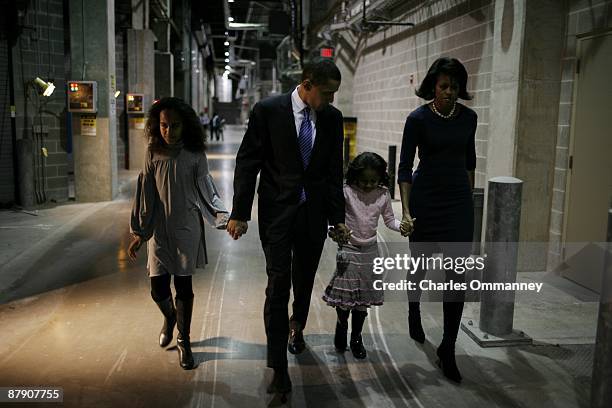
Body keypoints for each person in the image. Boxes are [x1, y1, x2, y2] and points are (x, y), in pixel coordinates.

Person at [227, 58, 350, 396]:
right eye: (326, 93)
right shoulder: (268, 110)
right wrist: (240, 212)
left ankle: (298, 326)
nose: (331, 100)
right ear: (307, 83)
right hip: (278, 214)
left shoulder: (332, 118)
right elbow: (248, 161)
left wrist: (337, 218)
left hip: (313, 216)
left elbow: (333, 173)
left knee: (304, 279)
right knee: (277, 285)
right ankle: (278, 367)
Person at [127, 97, 229, 370]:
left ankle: (184, 340)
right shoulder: (152, 152)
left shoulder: (195, 155)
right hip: (160, 230)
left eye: (174, 126)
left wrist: (224, 218)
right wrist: (140, 231)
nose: (168, 131)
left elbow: (208, 191)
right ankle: (170, 317)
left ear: (186, 126)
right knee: (157, 287)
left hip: (186, 228)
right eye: (163, 125)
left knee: (183, 286)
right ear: (155, 125)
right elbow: (146, 191)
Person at [398, 57, 477, 384]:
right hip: (426, 200)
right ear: (433, 86)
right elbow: (404, 167)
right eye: (444, 86)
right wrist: (405, 210)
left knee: (457, 276)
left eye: (455, 86)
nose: (449, 92)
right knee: (419, 265)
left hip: (458, 202)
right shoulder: (417, 119)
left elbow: (470, 160)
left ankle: (448, 345)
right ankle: (413, 309)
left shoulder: (469, 118)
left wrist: (468, 200)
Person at [322, 152, 401, 359]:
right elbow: (333, 217)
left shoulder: (383, 194)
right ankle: (341, 325)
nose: (368, 185)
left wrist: (403, 227)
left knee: (363, 298)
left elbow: (390, 220)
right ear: (355, 177)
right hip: (348, 249)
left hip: (370, 251)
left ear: (381, 178)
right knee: (344, 296)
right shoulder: (346, 191)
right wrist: (335, 229)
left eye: (373, 181)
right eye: (363, 181)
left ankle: (356, 337)